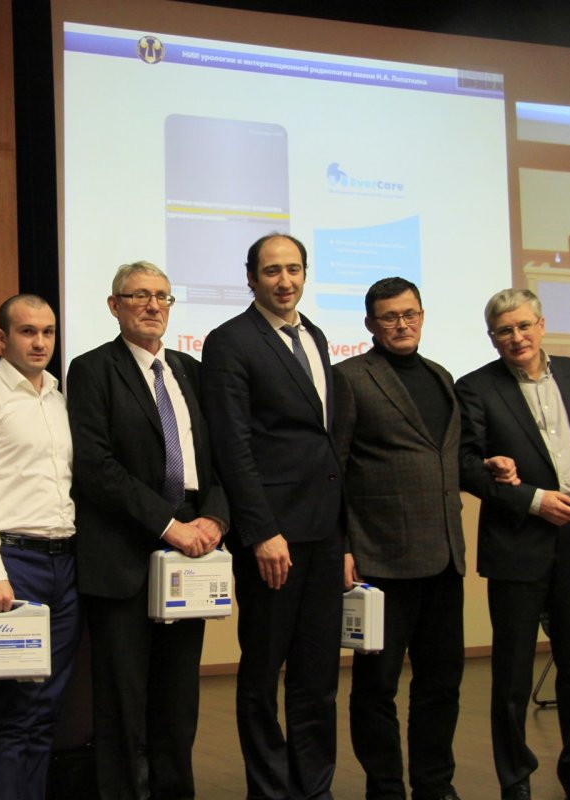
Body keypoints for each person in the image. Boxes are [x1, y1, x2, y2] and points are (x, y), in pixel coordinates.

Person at [334, 277, 517, 800]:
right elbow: (334, 468)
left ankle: (435, 786)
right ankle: (386, 789)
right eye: (389, 316)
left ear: (422, 315)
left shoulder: (441, 376)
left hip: (443, 558)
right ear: (370, 324)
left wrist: (486, 468)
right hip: (379, 559)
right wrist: (342, 545)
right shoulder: (349, 378)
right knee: (376, 689)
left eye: (409, 313)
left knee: (441, 684)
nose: (401, 324)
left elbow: (447, 458)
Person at [456, 288, 570, 800]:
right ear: (492, 338)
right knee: (513, 673)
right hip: (518, 538)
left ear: (541, 324)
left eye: (523, 326)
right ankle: (515, 781)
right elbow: (465, 465)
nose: (516, 338)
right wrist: (532, 499)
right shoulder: (475, 387)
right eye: (504, 331)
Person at [66, 261, 229, 800]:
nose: (153, 305)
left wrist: (215, 517)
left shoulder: (191, 370)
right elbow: (96, 466)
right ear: (114, 306)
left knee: (178, 702)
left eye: (162, 296)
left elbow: (222, 457)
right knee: (122, 705)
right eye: (139, 296)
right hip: (124, 557)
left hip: (192, 554)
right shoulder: (92, 369)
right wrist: (168, 525)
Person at [201, 233, 343, 800]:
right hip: (273, 536)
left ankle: (314, 788)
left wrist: (343, 536)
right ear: (250, 277)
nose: (284, 281)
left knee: (318, 676)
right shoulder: (229, 341)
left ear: (305, 273)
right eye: (271, 271)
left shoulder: (316, 336)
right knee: (263, 676)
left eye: (293, 269)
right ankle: (268, 790)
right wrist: (261, 532)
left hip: (324, 530)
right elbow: (232, 447)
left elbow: (322, 439)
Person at [0, 295, 80, 800]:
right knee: (13, 713)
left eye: (48, 332)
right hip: (14, 564)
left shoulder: (57, 397)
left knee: (47, 709)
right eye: (27, 331)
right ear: (1, 338)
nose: (40, 342)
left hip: (65, 564)